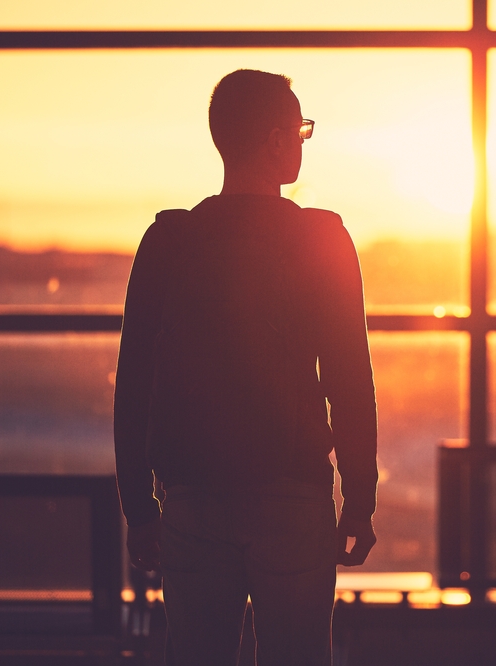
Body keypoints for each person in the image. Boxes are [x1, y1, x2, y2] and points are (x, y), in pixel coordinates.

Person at [114, 69, 378, 665]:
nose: (304, 142)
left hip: (193, 499)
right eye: (300, 129)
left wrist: (138, 505)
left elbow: (134, 383)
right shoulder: (322, 239)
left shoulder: (169, 241)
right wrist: (359, 496)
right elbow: (349, 379)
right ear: (276, 140)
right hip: (293, 499)